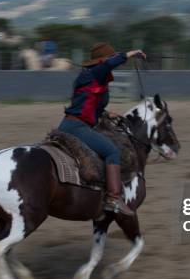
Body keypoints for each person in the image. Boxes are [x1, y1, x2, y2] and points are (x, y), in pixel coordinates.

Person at [58, 42, 146, 216]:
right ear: (103, 60)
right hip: (77, 127)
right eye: (110, 58)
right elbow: (109, 64)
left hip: (71, 124)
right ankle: (113, 198)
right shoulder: (96, 72)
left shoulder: (90, 76)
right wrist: (131, 52)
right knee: (112, 152)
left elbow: (86, 104)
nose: (112, 62)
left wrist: (106, 114)